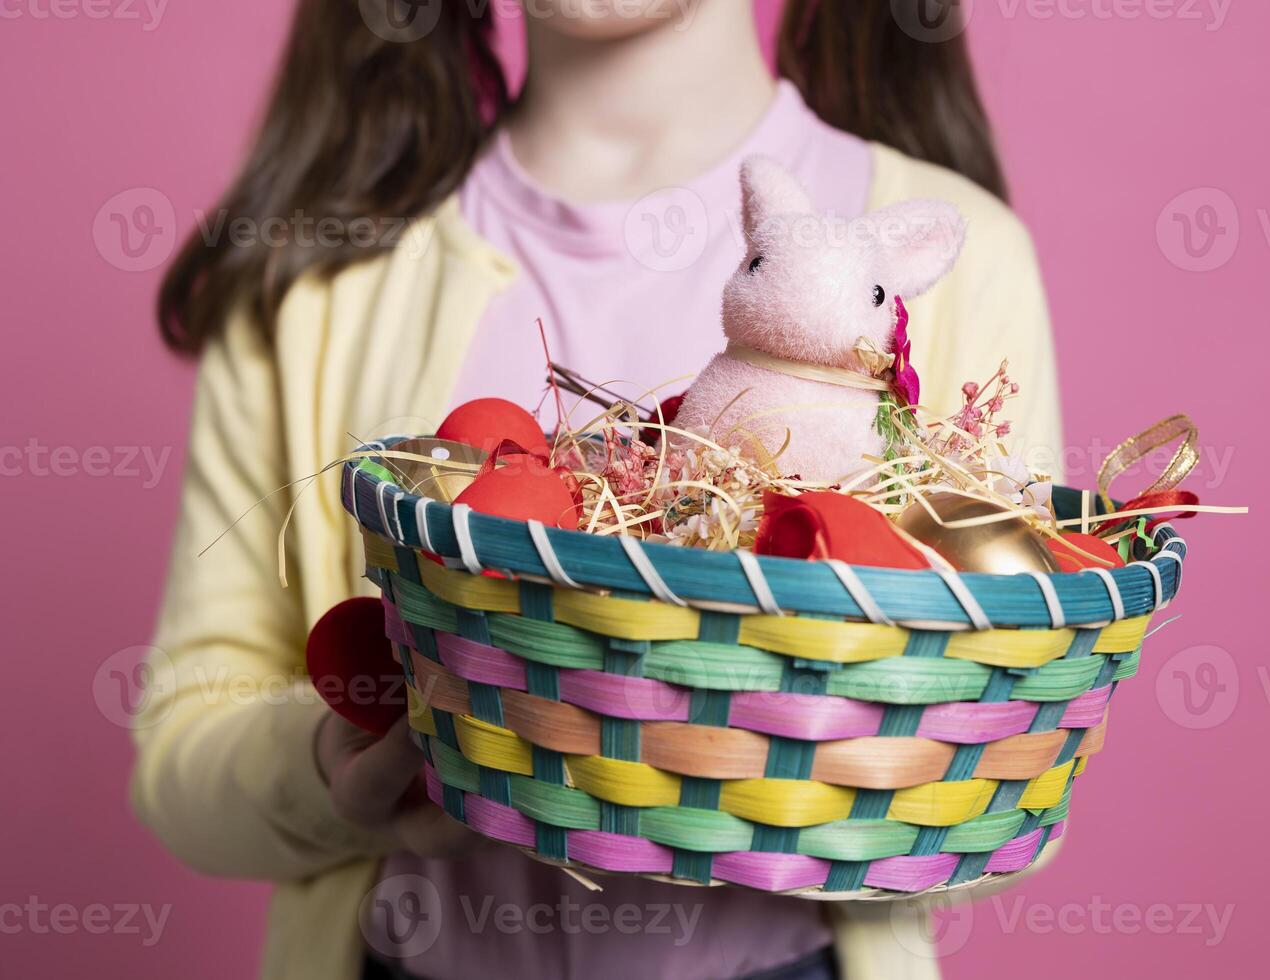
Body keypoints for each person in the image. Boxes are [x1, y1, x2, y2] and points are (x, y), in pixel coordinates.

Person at [133, 2, 1062, 978]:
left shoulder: (960, 254)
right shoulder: (317, 274)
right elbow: (185, 737)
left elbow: (1017, 745)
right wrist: (327, 766)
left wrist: (838, 766)